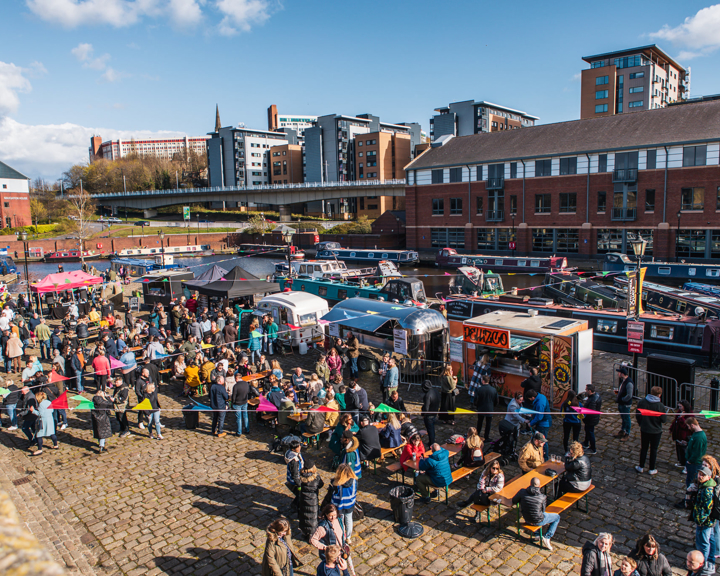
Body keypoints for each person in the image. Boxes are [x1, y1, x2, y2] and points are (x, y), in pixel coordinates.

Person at [510, 476, 558, 550]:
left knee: (533, 513)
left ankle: (537, 534)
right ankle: (547, 536)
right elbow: (543, 511)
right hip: (538, 521)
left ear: (530, 484)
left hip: (526, 518)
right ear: (539, 486)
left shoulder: (522, 492)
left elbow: (514, 500)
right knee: (557, 517)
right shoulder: (542, 497)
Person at [635, 386, 667, 475]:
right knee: (653, 450)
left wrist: (641, 424)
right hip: (656, 431)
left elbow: (638, 415)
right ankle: (651, 468)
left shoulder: (642, 402)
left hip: (645, 429)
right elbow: (664, 420)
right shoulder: (660, 406)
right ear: (659, 395)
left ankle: (641, 466)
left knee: (644, 448)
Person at [692, 466, 718, 569]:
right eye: (700, 474)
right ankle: (710, 560)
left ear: (709, 477)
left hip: (705, 522)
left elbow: (707, 508)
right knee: (710, 539)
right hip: (710, 521)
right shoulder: (707, 485)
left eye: (703, 475)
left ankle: (702, 564)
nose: (700, 476)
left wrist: (700, 520)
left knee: (703, 543)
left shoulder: (707, 490)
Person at [329, 464, 358, 543]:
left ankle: (341, 535)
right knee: (349, 520)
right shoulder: (354, 481)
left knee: (340, 522)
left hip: (339, 506)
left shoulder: (337, 483)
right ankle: (348, 537)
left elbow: (334, 494)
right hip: (350, 504)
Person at [297, 458, 324, 541]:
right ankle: (312, 535)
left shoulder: (301, 477)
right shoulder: (316, 478)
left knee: (304, 516)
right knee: (312, 518)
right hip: (313, 501)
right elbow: (321, 485)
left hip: (303, 500)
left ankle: (304, 533)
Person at [525, 389, 551, 461]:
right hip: (543, 422)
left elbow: (539, 417)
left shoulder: (539, 403)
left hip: (543, 424)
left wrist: (531, 423)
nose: (530, 400)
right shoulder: (541, 396)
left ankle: (545, 458)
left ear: (533, 397)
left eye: (530, 399)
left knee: (542, 441)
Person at [684, 417, 708, 491]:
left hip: (694, 463)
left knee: (691, 482)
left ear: (692, 425)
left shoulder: (699, 437)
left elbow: (697, 453)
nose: (688, 428)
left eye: (688, 426)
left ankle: (689, 498)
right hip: (693, 462)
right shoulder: (696, 434)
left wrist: (690, 461)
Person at [32, 391, 59, 455]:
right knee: (52, 433)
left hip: (43, 421)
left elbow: (40, 414)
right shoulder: (49, 402)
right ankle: (55, 445)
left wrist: (33, 411)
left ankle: (39, 449)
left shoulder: (41, 405)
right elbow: (52, 410)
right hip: (50, 419)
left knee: (39, 435)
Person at [671, 400, 693, 474]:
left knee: (685, 451)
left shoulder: (690, 415)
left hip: (685, 436)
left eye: (680, 406)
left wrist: (681, 418)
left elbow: (686, 426)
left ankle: (687, 466)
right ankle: (681, 462)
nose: (679, 407)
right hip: (678, 434)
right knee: (679, 449)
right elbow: (675, 421)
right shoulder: (680, 411)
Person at [474, 375, 498, 441]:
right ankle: (486, 436)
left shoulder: (479, 389)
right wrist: (493, 406)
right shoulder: (493, 390)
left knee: (479, 422)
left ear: (483, 381)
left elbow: (476, 399)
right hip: (489, 408)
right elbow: (496, 400)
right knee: (488, 424)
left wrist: (476, 406)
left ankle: (477, 434)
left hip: (481, 408)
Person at [580, 384, 601, 455]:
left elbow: (590, 412)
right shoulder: (595, 396)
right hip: (592, 419)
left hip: (591, 420)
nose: (585, 391)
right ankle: (586, 443)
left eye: (586, 390)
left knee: (590, 432)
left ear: (590, 391)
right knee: (587, 430)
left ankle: (593, 448)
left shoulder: (593, 400)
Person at [91, 389, 114, 453]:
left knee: (99, 432)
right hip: (103, 418)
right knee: (103, 433)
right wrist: (108, 398)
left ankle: (100, 443)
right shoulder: (104, 402)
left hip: (95, 418)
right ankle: (101, 446)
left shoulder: (94, 400)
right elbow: (110, 405)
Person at [616, 365, 635, 440]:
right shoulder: (623, 381)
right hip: (621, 403)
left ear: (622, 374)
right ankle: (622, 430)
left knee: (627, 419)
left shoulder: (629, 383)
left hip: (625, 404)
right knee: (623, 418)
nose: (618, 374)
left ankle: (627, 433)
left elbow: (629, 395)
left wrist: (622, 399)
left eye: (619, 373)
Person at [285, 439, 304, 510]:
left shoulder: (290, 453)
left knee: (299, 495)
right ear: (293, 449)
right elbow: (295, 474)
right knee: (300, 494)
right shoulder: (294, 461)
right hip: (295, 481)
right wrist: (299, 484)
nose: (300, 448)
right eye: (298, 447)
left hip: (294, 478)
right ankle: (295, 506)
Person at [421, 379, 440, 446]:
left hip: (429, 415)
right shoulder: (435, 391)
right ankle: (432, 441)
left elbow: (426, 408)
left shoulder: (427, 395)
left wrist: (423, 414)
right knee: (432, 428)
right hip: (435, 412)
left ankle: (431, 443)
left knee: (430, 429)